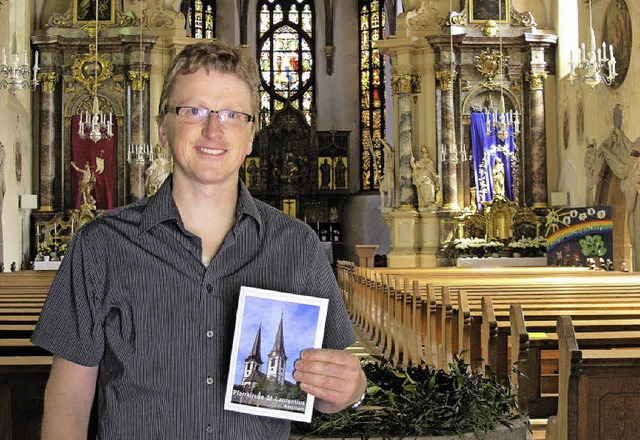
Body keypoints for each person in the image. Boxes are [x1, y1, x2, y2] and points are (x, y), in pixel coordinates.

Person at [32, 40, 366, 439]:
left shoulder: (298, 245)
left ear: (252, 134)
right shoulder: (100, 245)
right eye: (193, 111)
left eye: (231, 114)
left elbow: (328, 385)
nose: (213, 129)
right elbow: (69, 396)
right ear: (161, 127)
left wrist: (350, 389)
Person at [410, 146, 437, 210]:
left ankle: (429, 203)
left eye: (425, 152)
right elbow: (414, 167)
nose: (424, 155)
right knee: (423, 190)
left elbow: (432, 170)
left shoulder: (430, 161)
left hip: (429, 179)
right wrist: (412, 161)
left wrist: (435, 176)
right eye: (423, 153)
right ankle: (424, 204)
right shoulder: (420, 161)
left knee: (430, 188)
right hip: (421, 180)